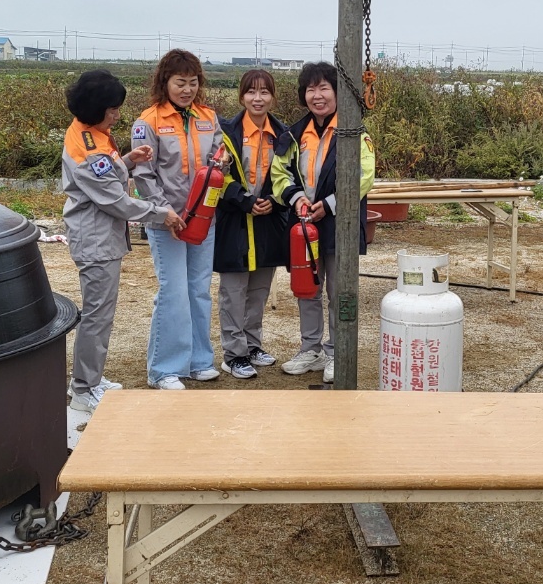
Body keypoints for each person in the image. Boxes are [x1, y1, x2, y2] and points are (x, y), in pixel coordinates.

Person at [61, 70, 184, 412]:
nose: (117, 115)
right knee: (98, 316)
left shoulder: (90, 134)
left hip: (101, 236)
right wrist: (161, 213)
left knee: (101, 313)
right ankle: (84, 388)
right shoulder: (88, 150)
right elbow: (115, 201)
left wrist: (129, 160)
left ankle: (91, 378)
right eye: (112, 109)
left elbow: (108, 173)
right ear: (95, 109)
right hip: (96, 241)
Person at [270, 62, 375, 384]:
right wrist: (297, 199)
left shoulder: (354, 131)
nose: (317, 96)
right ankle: (310, 349)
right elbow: (279, 172)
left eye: (324, 88)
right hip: (304, 224)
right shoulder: (294, 134)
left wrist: (329, 205)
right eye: (310, 89)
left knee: (338, 291)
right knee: (308, 288)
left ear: (337, 93)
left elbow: (364, 176)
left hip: (339, 223)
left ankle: (336, 352)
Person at [132, 49, 223, 390]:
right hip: (165, 221)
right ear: (165, 82)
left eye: (193, 82)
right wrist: (164, 212)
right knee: (173, 292)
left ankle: (199, 360)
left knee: (199, 290)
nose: (187, 89)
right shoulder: (148, 121)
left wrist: (222, 164)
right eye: (180, 82)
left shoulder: (208, 117)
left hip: (202, 220)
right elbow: (143, 174)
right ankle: (165, 369)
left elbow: (217, 161)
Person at [213, 69, 291, 379]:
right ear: (242, 96)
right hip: (235, 219)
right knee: (233, 291)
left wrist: (274, 199)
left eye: (264, 92)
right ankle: (234, 354)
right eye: (251, 92)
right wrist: (243, 200)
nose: (258, 98)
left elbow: (289, 174)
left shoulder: (283, 134)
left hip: (269, 220)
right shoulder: (225, 132)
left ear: (273, 97)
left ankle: (252, 344)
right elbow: (217, 175)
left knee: (259, 289)